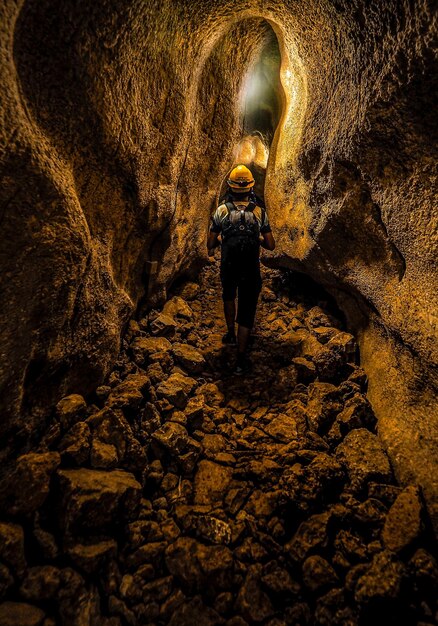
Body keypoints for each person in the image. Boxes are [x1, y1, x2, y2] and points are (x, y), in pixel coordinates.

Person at [207, 164, 275, 374]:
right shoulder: (259, 212)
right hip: (250, 267)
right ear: (251, 187)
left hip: (229, 264)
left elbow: (210, 243)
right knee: (247, 308)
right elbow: (271, 245)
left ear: (230, 187)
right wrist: (257, 238)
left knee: (229, 295)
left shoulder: (222, 211)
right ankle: (241, 358)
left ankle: (230, 334)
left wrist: (222, 239)